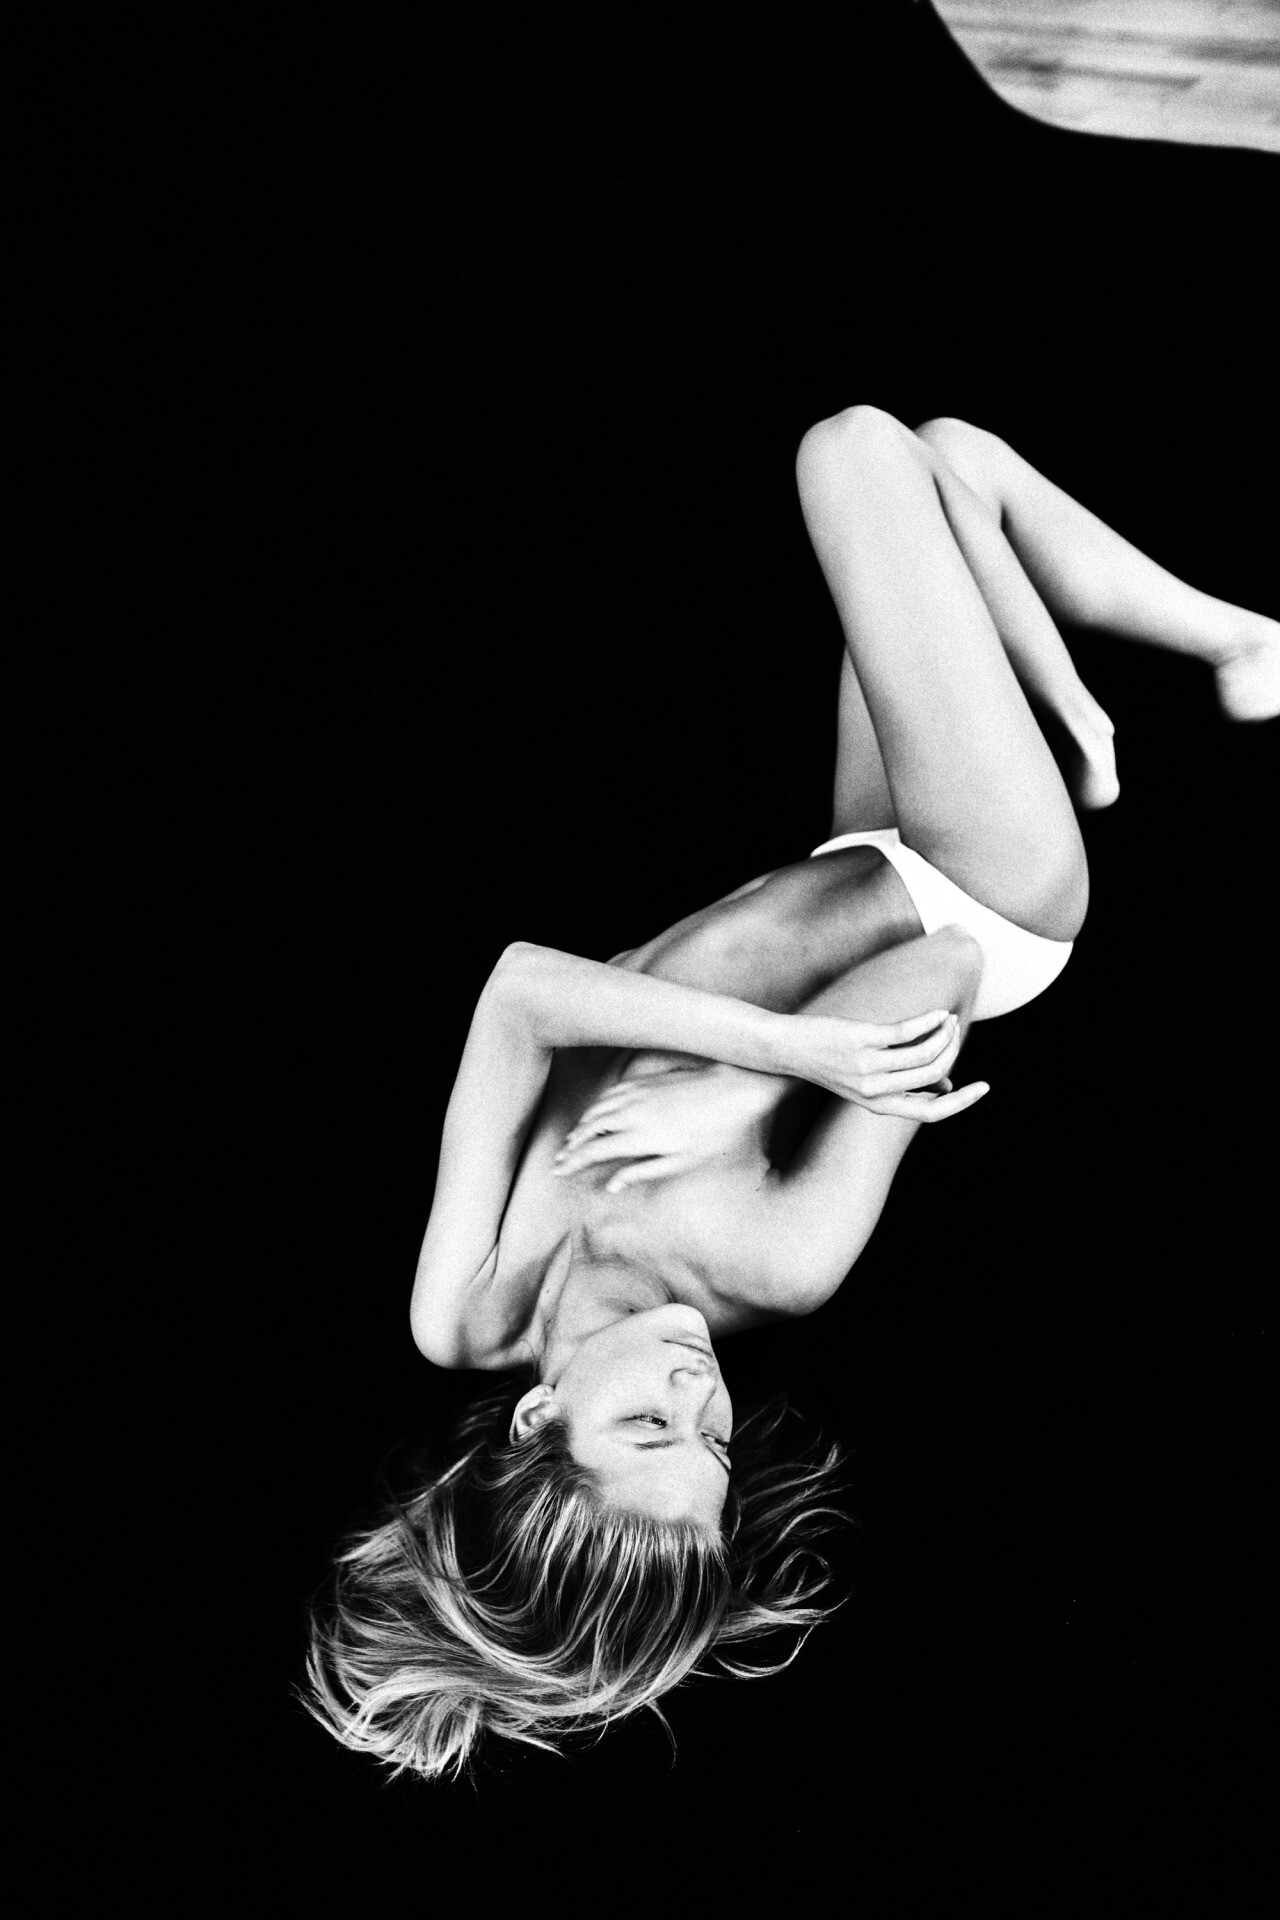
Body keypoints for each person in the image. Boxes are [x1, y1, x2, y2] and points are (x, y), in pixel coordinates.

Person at [303, 406, 1278, 1779]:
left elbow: (518, 991)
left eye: (648, 1423)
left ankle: (1202, 657)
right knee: (854, 456)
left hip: (860, 853)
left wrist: (769, 1058)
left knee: (950, 463)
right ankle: (1118, 691)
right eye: (712, 1441)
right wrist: (756, 1082)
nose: (697, 1392)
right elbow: (945, 970)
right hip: (986, 885)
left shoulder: (462, 1310)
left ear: (535, 1421)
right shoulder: (777, 1260)